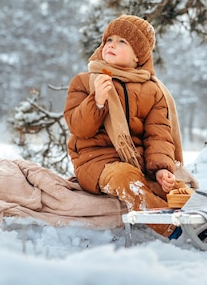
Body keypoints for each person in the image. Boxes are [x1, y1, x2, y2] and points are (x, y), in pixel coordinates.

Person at [63, 14, 195, 240]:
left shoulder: (152, 91)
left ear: (138, 56)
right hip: (96, 162)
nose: (112, 45)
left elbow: (158, 135)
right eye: (109, 40)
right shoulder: (85, 82)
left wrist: (162, 169)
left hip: (139, 163)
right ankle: (173, 230)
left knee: (178, 188)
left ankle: (204, 221)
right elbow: (78, 128)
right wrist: (97, 101)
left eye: (122, 41)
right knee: (127, 178)